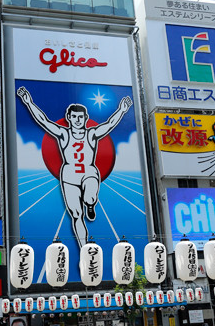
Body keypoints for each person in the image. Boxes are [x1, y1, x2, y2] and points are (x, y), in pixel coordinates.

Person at [17, 86, 133, 249]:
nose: (78, 120)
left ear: (85, 118)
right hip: (69, 176)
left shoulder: (91, 134)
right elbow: (43, 121)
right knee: (76, 215)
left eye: (80, 117)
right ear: (69, 118)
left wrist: (122, 110)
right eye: (74, 117)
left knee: (89, 198)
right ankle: (84, 247)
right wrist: (28, 103)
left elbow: (109, 125)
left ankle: (91, 205)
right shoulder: (64, 134)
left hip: (89, 172)